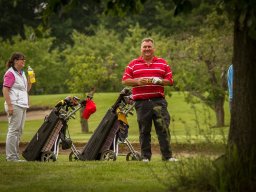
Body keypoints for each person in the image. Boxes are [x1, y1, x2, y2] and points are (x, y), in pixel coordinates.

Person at [122, 37, 177, 162]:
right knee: (144, 130)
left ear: (153, 48)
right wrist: (137, 81)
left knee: (163, 129)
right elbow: (125, 80)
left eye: (149, 46)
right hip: (142, 103)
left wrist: (160, 81)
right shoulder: (133, 64)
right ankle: (145, 157)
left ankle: (167, 157)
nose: (147, 49)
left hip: (158, 101)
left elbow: (170, 81)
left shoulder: (162, 63)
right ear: (141, 49)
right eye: (144, 47)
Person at [2, 52, 33, 162]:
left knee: (19, 131)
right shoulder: (10, 73)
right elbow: (5, 89)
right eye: (21, 59)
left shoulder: (22, 73)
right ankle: (11, 157)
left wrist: (30, 80)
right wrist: (10, 105)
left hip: (22, 105)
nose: (23, 61)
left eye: (24, 60)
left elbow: (26, 90)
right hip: (14, 104)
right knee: (13, 130)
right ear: (15, 61)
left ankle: (15, 156)